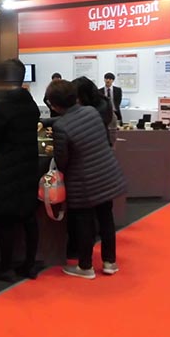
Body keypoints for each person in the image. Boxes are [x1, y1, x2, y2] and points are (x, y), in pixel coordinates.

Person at [46, 80, 127, 280]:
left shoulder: (61, 126)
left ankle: (85, 266)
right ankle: (110, 262)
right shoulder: (91, 112)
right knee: (106, 218)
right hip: (106, 174)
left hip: (83, 181)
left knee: (84, 222)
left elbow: (62, 161)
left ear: (55, 105)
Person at [0, 59, 41, 282]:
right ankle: (30, 265)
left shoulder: (3, 104)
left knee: (5, 219)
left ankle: (5, 267)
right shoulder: (30, 103)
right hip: (29, 166)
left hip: (7, 168)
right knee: (29, 217)